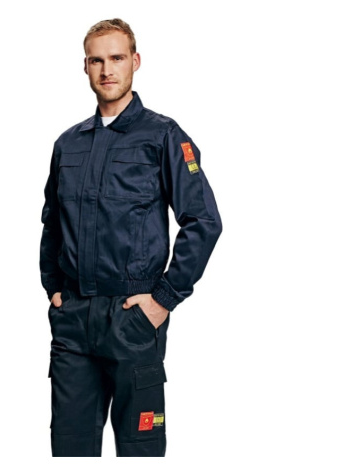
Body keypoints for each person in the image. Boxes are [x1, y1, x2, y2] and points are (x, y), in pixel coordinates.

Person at [39, 18, 222, 457]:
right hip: (73, 323)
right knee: (69, 449)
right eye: (96, 60)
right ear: (85, 66)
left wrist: (163, 299)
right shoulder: (68, 144)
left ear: (135, 62)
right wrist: (54, 288)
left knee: (141, 450)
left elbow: (203, 221)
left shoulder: (164, 136)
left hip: (133, 320)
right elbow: (51, 223)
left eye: (117, 58)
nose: (107, 70)